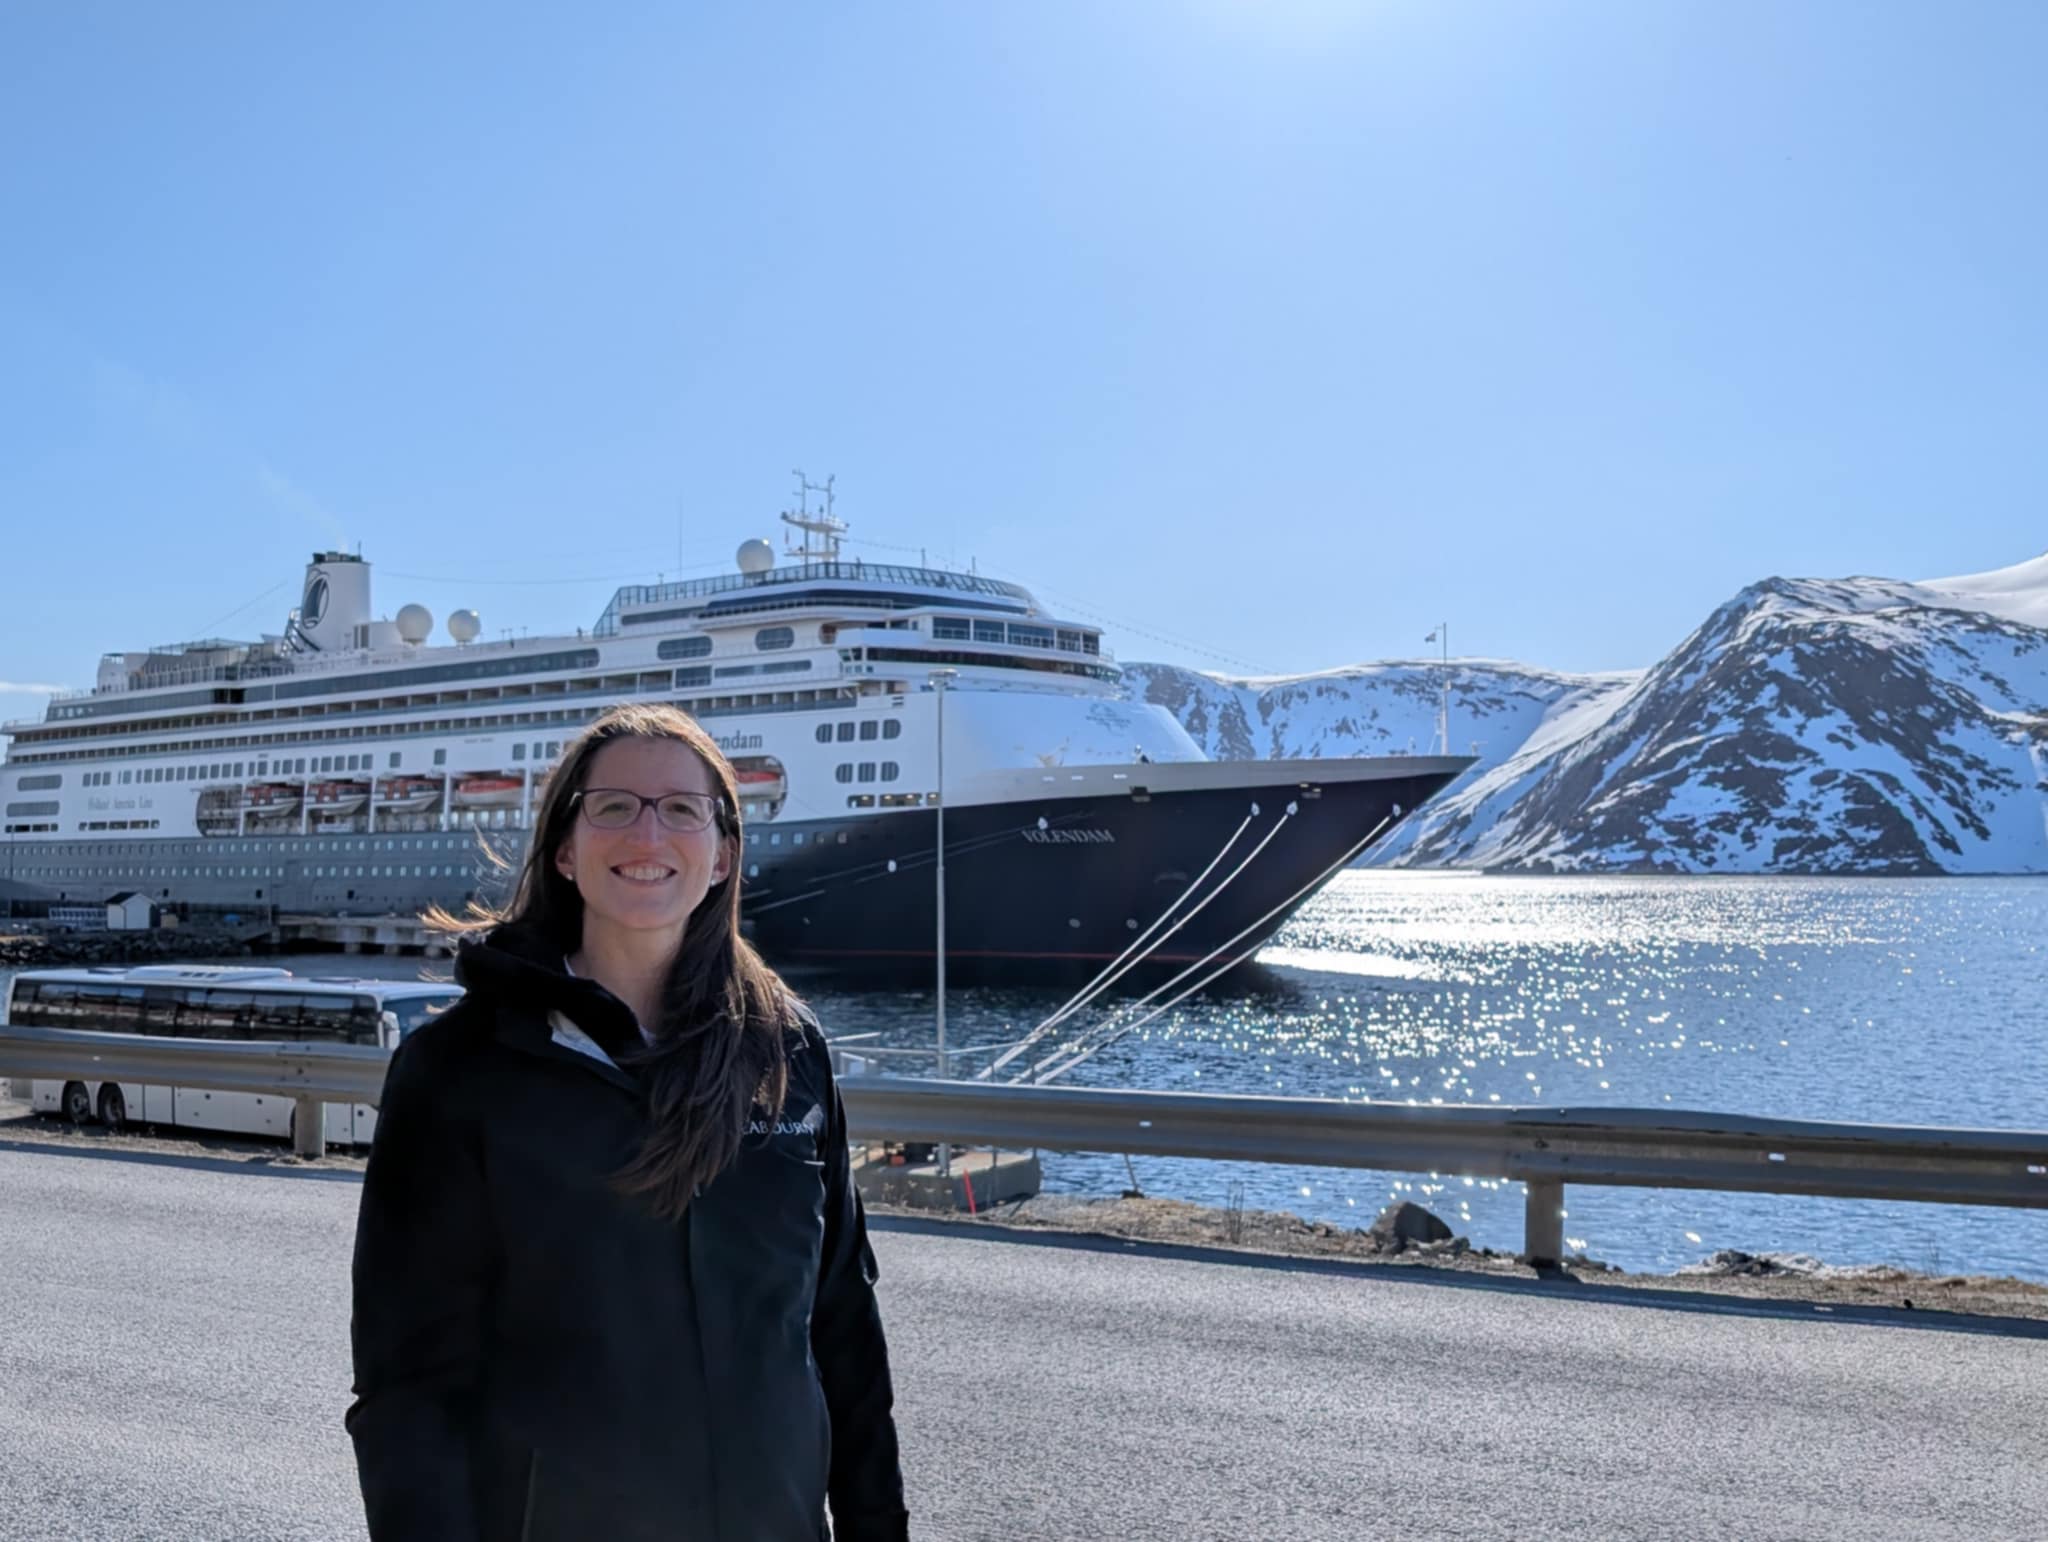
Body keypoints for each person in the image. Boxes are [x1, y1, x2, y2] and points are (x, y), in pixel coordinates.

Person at [345, 703, 909, 1542]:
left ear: (722, 855)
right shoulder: (460, 1070)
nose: (649, 835)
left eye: (683, 809)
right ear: (566, 848)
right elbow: (410, 1387)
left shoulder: (786, 1054)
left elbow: (843, 1334)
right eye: (615, 806)